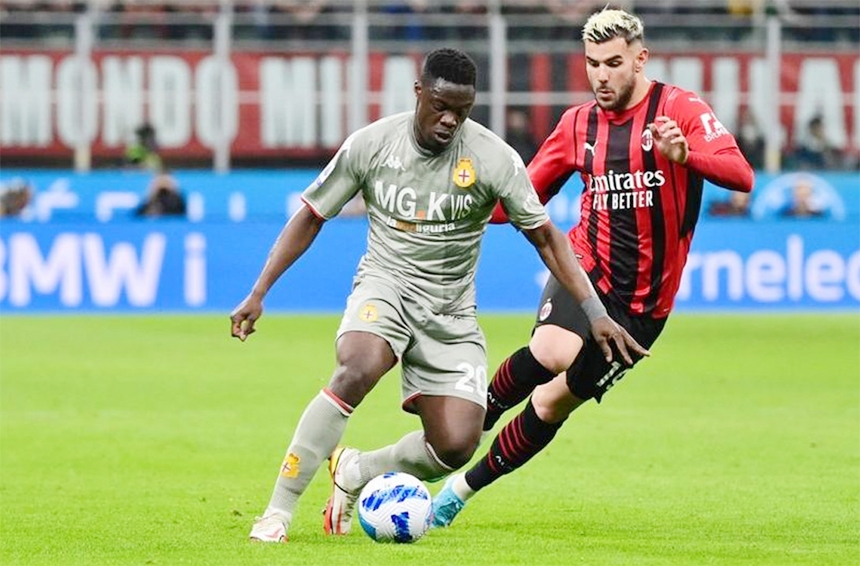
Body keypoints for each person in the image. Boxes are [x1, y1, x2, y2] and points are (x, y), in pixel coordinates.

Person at [230, 47, 647, 543]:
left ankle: (357, 469)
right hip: (384, 288)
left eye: (462, 110)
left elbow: (547, 238)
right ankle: (277, 511)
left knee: (455, 445)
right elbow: (311, 215)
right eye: (441, 106)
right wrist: (259, 292)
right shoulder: (372, 144)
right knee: (356, 368)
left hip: (450, 313)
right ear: (419, 92)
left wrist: (594, 311)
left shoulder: (493, 158)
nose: (450, 120)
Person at [430, 8, 755, 527]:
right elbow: (523, 196)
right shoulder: (577, 124)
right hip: (585, 267)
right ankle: (458, 431)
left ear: (640, 59)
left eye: (613, 63)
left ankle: (458, 492)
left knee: (554, 404)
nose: (601, 75)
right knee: (552, 349)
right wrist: (456, 206)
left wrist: (686, 152)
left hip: (644, 306)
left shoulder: (682, 109)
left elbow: (741, 175)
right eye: (592, 64)